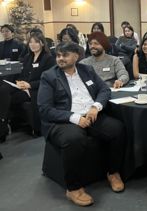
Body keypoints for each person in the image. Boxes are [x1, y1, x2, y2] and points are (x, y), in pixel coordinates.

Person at [38, 42, 126, 206]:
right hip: (63, 120)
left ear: (76, 56)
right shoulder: (49, 76)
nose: (60, 58)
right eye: (58, 55)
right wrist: (75, 118)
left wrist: (96, 107)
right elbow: (45, 109)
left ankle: (113, 172)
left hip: (91, 114)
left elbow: (104, 90)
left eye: (65, 55)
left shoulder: (87, 70)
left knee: (117, 129)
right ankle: (73, 188)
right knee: (74, 139)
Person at [0, 32, 55, 141]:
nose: (32, 44)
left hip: (35, 89)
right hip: (22, 87)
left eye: (36, 42)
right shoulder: (27, 57)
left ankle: (2, 128)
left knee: (8, 98)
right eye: (30, 42)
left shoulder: (48, 59)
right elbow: (22, 75)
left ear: (42, 44)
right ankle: (2, 125)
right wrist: (19, 82)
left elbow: (49, 80)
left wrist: (29, 85)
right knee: (3, 90)